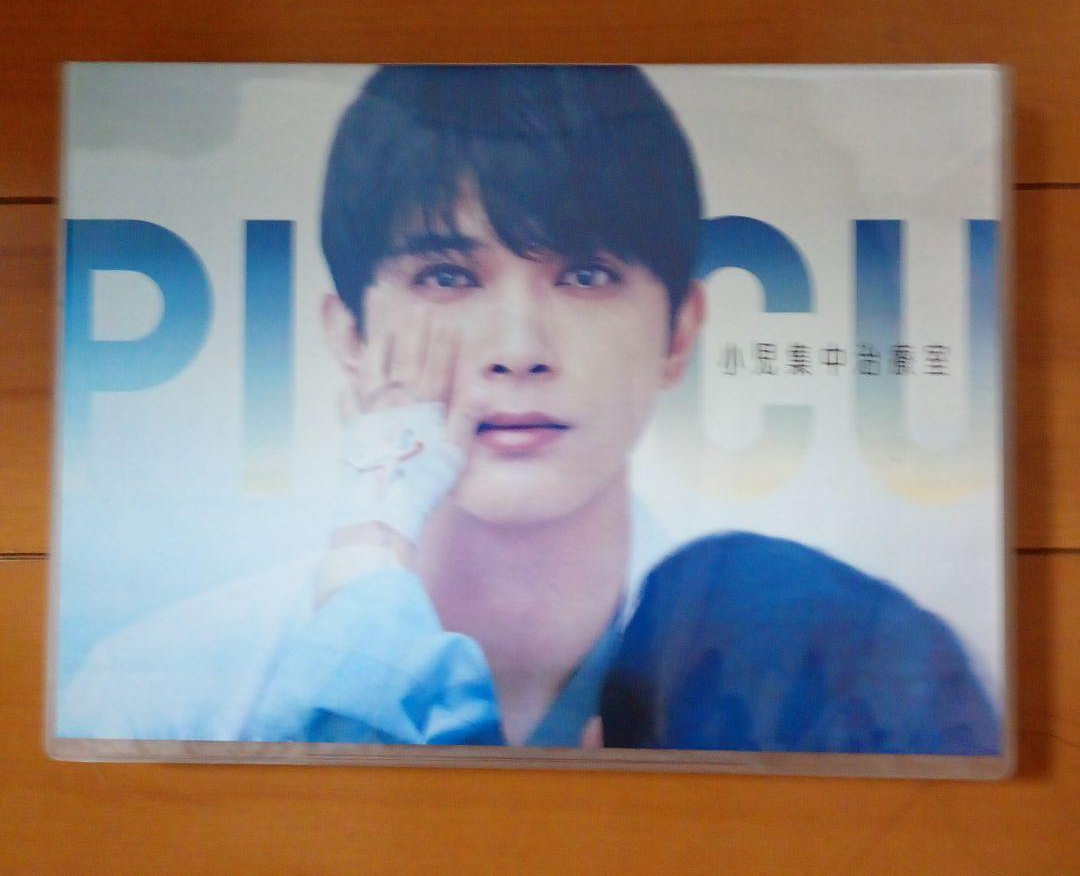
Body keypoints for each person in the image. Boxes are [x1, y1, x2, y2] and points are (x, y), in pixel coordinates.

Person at [58, 66, 1000, 755]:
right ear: (348, 336)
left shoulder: (809, 665)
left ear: (680, 331)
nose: (518, 348)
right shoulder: (159, 694)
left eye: (585, 274)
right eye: (446, 275)